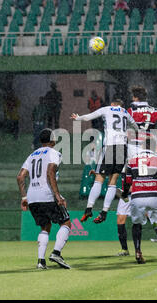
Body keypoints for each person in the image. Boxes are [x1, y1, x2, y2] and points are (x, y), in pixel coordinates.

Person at [71, 99, 138, 224]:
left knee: (99, 179)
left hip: (110, 147)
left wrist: (78, 118)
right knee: (113, 182)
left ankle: (88, 209)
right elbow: (135, 125)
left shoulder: (107, 109)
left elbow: (89, 117)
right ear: (121, 105)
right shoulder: (125, 112)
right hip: (122, 148)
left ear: (112, 104)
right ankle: (104, 212)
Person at [17, 128, 72, 269]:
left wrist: (24, 197)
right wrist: (57, 195)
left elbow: (20, 176)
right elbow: (50, 172)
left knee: (45, 226)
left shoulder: (32, 155)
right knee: (66, 223)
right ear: (52, 140)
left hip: (32, 197)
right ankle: (56, 253)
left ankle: (41, 261)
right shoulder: (54, 153)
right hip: (47, 195)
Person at [122, 147, 157, 264]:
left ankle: (138, 252)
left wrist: (124, 193)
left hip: (137, 197)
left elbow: (127, 181)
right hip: (154, 196)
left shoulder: (132, 160)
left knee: (136, 225)